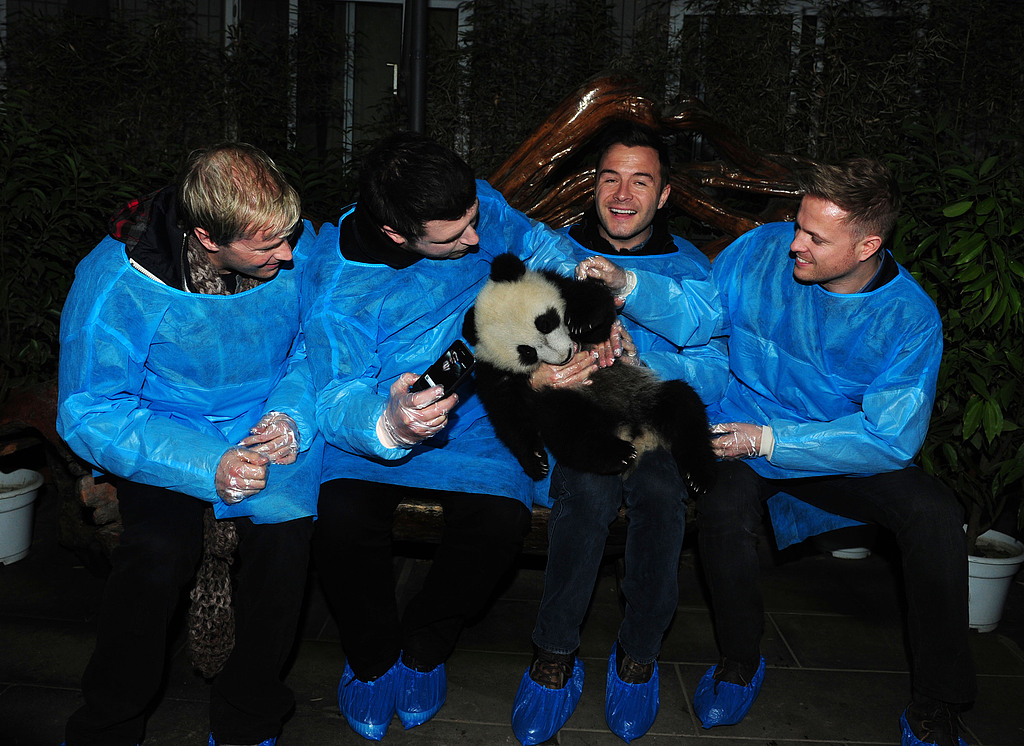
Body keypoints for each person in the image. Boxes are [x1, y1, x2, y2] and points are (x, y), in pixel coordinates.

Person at [302, 131, 610, 742]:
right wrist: (389, 421)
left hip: (481, 411)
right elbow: (336, 394)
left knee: (498, 522)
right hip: (380, 416)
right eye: (455, 236)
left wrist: (588, 283)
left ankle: (424, 646)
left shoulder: (470, 206)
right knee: (340, 518)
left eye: (473, 220)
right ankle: (370, 658)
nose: (475, 238)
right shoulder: (337, 290)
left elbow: (532, 240)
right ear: (396, 235)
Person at [691, 157, 975, 746]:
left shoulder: (910, 317)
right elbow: (701, 323)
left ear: (867, 244)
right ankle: (740, 661)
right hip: (746, 421)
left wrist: (774, 442)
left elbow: (888, 438)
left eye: (815, 237)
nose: (794, 243)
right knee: (722, 512)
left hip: (839, 447)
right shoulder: (763, 250)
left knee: (935, 515)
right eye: (798, 224)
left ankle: (937, 700)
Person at [57, 143, 323, 746]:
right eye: (267, 246)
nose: (288, 252)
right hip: (159, 431)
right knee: (154, 554)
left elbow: (316, 343)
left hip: (265, 417)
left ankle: (248, 714)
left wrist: (292, 414)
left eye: (289, 234)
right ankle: (108, 723)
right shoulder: (116, 280)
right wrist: (206, 463)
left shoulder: (291, 241)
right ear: (206, 237)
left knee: (285, 543)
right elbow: (90, 407)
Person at [509, 120, 726, 745]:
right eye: (610, 178)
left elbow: (714, 373)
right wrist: (548, 376)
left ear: (663, 196)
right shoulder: (551, 257)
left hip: (656, 428)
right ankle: (554, 655)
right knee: (586, 495)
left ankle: (638, 656)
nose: (623, 194)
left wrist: (642, 368)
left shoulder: (689, 269)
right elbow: (502, 352)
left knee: (661, 496)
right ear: (592, 186)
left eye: (641, 180)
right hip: (575, 430)